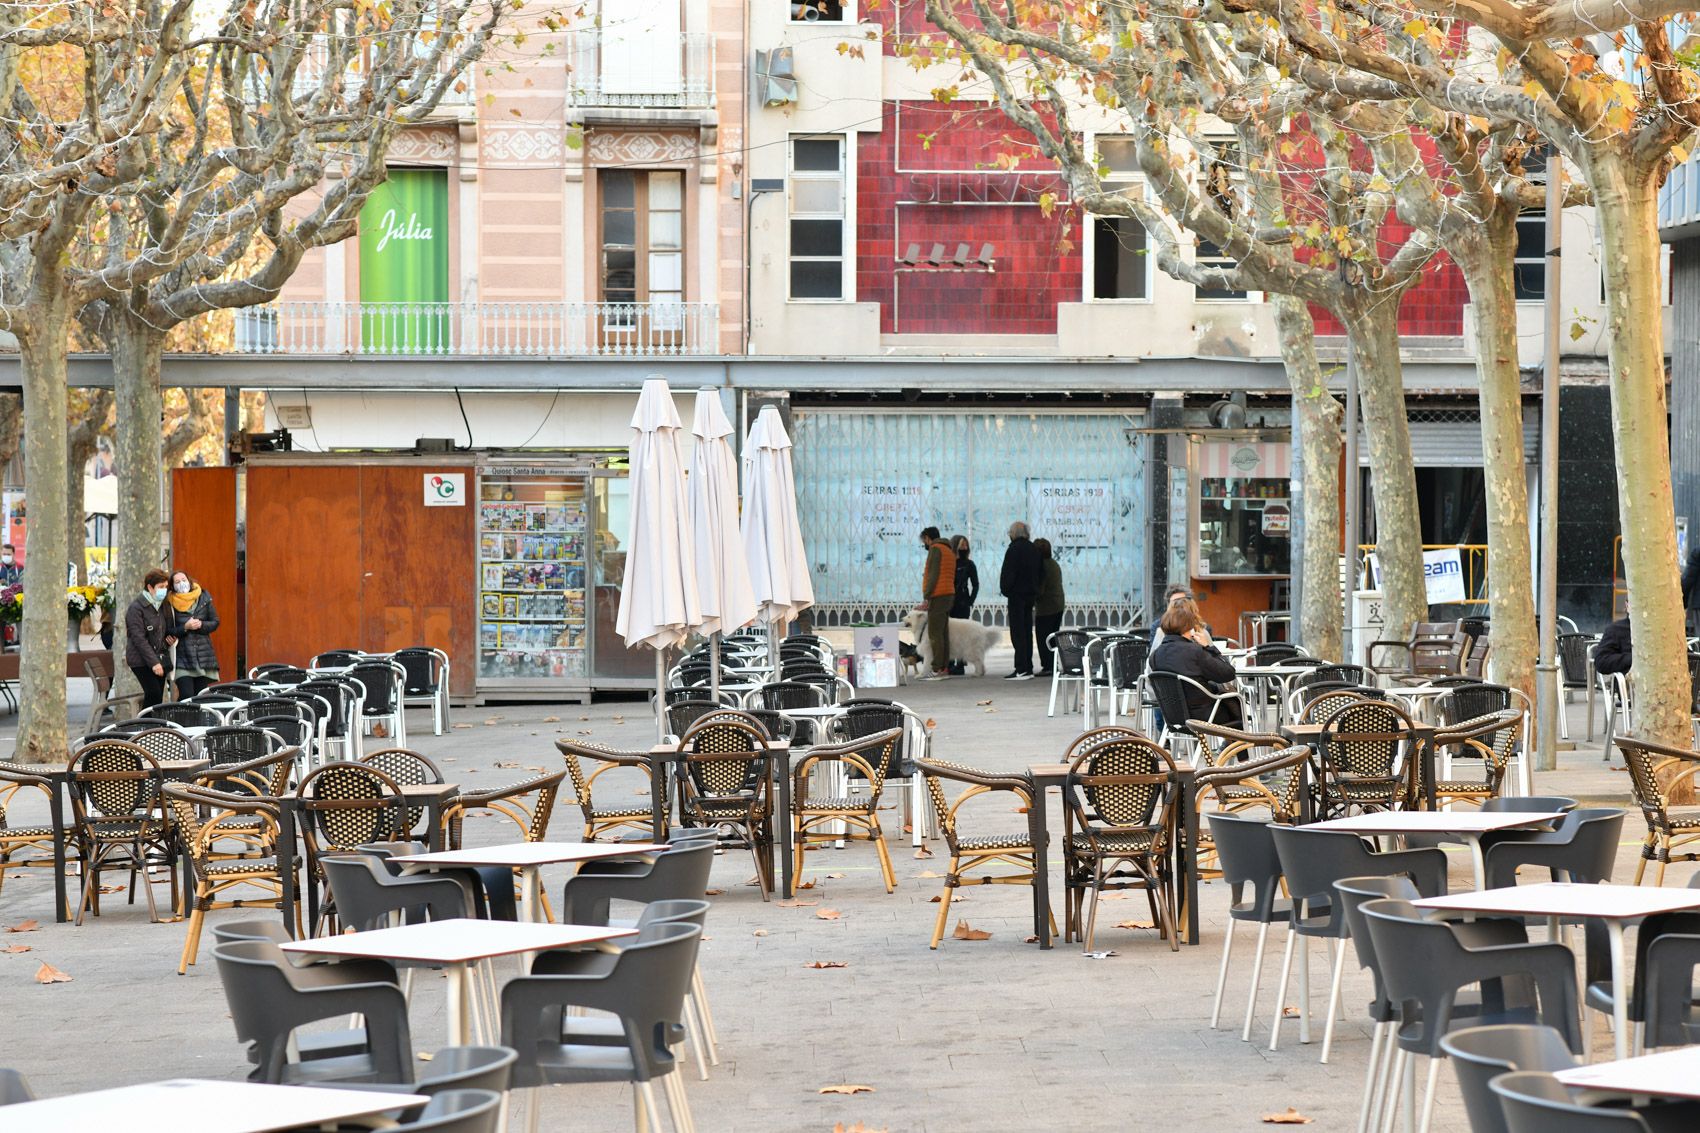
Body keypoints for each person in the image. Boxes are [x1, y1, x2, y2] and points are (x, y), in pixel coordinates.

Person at [1149, 597, 1242, 726]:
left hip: (1173, 716)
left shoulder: (1155, 655)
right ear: (1189, 627)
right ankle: (1234, 745)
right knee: (1237, 705)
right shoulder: (1195, 651)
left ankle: (1228, 745)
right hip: (1204, 716)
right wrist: (1209, 647)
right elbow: (1228, 673)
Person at [124, 569, 177, 708]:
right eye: (161, 587)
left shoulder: (163, 605)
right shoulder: (136, 608)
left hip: (160, 656)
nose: (164, 590)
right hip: (140, 659)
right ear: (149, 587)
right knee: (152, 692)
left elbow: (167, 629)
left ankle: (152, 725)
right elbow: (138, 638)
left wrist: (171, 639)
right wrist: (154, 663)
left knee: (158, 695)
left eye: (166, 587)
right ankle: (145, 725)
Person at [999, 521, 1042, 680]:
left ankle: (1021, 668)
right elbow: (1040, 573)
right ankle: (1027, 667)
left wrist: (1006, 589)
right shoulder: (1033, 549)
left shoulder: (1014, 549)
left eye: (1010, 532)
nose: (1009, 535)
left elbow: (1008, 573)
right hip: (1030, 595)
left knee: (1018, 633)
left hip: (1016, 596)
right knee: (1026, 632)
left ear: (1014, 533)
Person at [167, 570, 220, 699]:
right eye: (177, 582)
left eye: (184, 580)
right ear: (172, 586)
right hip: (181, 656)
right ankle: (181, 718)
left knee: (200, 696)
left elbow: (215, 622)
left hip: (202, 655)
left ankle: (194, 719)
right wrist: (185, 628)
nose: (182, 584)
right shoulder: (169, 603)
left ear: (189, 581)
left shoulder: (203, 597)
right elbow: (167, 629)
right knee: (186, 695)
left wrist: (201, 625)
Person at [917, 526, 957, 681]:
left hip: (938, 595)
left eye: (924, 541)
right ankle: (944, 667)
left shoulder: (935, 549)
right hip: (948, 593)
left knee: (935, 634)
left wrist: (927, 595)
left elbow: (933, 574)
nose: (924, 544)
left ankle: (937, 668)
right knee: (943, 633)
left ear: (928, 538)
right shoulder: (948, 550)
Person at [947, 534, 979, 675]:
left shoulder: (969, 564)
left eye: (966, 545)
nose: (964, 547)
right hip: (949, 602)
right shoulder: (949, 562)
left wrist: (970, 601)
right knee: (949, 633)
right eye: (961, 545)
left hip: (962, 602)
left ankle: (960, 664)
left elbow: (976, 584)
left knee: (961, 634)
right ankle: (949, 663)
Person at [1034, 538, 1066, 677]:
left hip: (1046, 607)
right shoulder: (1054, 564)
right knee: (1053, 636)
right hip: (1058, 604)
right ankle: (1053, 665)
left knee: (1044, 638)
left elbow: (1040, 589)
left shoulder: (1042, 566)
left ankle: (1047, 666)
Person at [1593, 610, 1632, 675]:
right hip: (1628, 682)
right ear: (1627, 605)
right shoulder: (1616, 629)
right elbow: (1601, 662)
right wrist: (1632, 659)